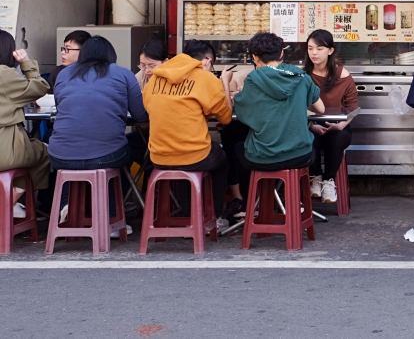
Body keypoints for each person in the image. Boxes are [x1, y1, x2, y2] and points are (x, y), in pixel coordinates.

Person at [50, 36, 148, 231]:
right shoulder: (123, 74)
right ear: (111, 55)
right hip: (107, 155)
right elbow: (141, 115)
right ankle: (110, 220)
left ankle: (67, 208)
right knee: (114, 155)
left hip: (60, 156)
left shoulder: (64, 74)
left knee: (75, 158)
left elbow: (62, 106)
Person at [143, 40, 233, 223]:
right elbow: (225, 118)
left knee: (183, 161)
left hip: (159, 157)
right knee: (221, 160)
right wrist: (223, 82)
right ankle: (213, 216)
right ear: (207, 61)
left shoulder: (154, 80)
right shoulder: (206, 79)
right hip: (195, 155)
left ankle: (187, 215)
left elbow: (148, 108)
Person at [231, 32, 325, 199]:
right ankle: (282, 205)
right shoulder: (300, 75)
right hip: (300, 156)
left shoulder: (253, 79)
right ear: (281, 53)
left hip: (263, 157)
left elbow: (242, 115)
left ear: (254, 57)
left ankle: (250, 205)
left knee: (236, 147)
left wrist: (228, 84)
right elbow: (321, 109)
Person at [0, 30, 51, 218]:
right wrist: (26, 63)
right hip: (5, 152)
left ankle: (11, 202)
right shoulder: (4, 74)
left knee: (28, 154)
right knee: (44, 151)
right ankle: (8, 202)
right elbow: (40, 87)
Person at [303, 29, 357, 204]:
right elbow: (295, 108)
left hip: (337, 126)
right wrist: (311, 126)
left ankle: (329, 180)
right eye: (310, 48)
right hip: (310, 126)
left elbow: (353, 108)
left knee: (338, 137)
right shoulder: (302, 76)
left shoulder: (343, 75)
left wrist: (341, 125)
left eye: (319, 48)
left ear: (331, 50)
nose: (314, 53)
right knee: (307, 138)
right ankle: (315, 177)